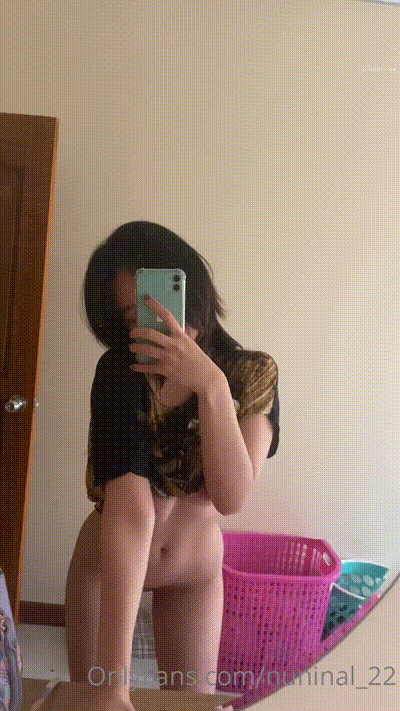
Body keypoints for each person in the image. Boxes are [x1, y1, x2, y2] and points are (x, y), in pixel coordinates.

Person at [64, 222, 280, 711]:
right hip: (108, 570)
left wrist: (211, 386)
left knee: (190, 704)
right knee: (96, 702)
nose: (153, 323)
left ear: (188, 285)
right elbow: (129, 509)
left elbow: (232, 497)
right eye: (133, 316)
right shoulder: (120, 371)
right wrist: (113, 687)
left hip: (194, 575)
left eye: (160, 302)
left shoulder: (251, 373)